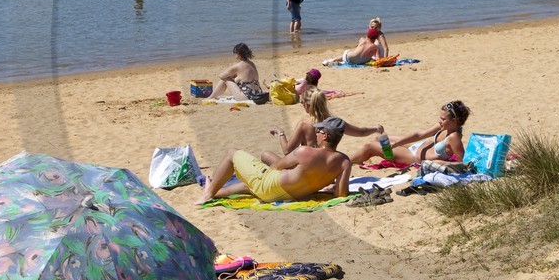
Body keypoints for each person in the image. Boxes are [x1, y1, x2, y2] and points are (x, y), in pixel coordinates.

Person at [199, 118, 352, 204]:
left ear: (325, 136)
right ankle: (215, 192)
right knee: (249, 186)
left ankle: (208, 194)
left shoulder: (305, 151)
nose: (316, 133)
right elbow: (341, 194)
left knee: (232, 153)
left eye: (319, 131)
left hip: (269, 187)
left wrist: (285, 171)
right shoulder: (345, 162)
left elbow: (276, 166)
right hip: (290, 196)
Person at [347, 100, 470, 167]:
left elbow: (462, 163)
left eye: (443, 119)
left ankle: (346, 162)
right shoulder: (444, 127)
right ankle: (359, 158)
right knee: (380, 138)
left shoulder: (454, 137)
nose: (440, 121)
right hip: (416, 146)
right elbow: (419, 135)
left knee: (369, 145)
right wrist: (397, 143)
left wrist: (438, 163)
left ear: (455, 121)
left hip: (413, 156)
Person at [271, 87, 384, 153]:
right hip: (328, 169)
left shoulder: (304, 124)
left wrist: (280, 132)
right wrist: (375, 128)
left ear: (306, 105)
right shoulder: (335, 123)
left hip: (308, 169)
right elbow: (361, 132)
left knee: (266, 156)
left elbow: (287, 151)